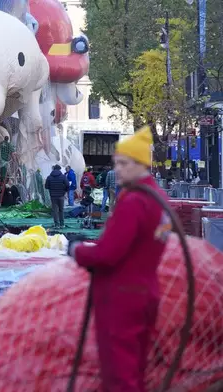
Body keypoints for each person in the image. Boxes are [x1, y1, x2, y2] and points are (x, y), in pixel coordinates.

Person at [67, 126, 171, 392]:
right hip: (145, 292)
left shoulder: (134, 201)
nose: (118, 170)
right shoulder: (159, 198)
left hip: (122, 296)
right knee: (136, 369)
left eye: (124, 164)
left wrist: (76, 250)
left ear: (140, 164)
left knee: (119, 375)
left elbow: (107, 254)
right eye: (117, 164)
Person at [45, 164, 69, 229]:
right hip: (61, 195)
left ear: (53, 169)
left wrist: (51, 188)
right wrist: (64, 191)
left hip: (53, 196)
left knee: (55, 211)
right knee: (61, 210)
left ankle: (56, 225)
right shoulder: (63, 177)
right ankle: (62, 224)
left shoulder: (49, 177)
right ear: (59, 169)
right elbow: (67, 185)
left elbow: (46, 186)